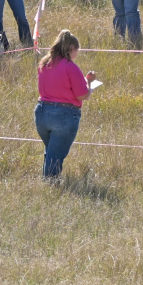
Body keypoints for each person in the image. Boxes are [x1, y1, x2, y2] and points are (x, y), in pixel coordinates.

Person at [34, 29, 97, 179]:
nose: (77, 54)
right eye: (77, 50)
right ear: (71, 49)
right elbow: (82, 94)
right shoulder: (71, 67)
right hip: (64, 116)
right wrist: (89, 82)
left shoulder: (44, 63)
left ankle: (48, 183)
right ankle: (50, 185)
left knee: (51, 152)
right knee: (55, 157)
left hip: (42, 113)